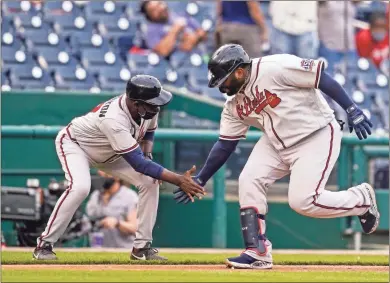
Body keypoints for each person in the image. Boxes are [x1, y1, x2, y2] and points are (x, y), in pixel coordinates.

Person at [174, 44, 380, 269]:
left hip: (316, 134)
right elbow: (225, 145)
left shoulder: (275, 67)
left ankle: (361, 200)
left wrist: (351, 108)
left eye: (223, 80)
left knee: (303, 202)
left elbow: (320, 77)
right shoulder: (233, 105)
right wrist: (201, 178)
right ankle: (257, 252)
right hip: (276, 141)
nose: (221, 87)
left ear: (240, 71)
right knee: (249, 179)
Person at [33, 75, 205, 261]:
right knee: (80, 188)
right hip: (77, 145)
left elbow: (149, 132)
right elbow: (138, 163)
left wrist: (147, 154)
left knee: (149, 181)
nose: (157, 108)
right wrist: (179, 180)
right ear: (135, 102)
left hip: (112, 152)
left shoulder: (147, 110)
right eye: (152, 104)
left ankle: (141, 248)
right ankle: (44, 245)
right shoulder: (114, 119)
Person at [86, 170, 138, 249]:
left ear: (117, 176)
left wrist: (117, 223)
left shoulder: (130, 196)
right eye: (100, 175)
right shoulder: (95, 196)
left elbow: (136, 229)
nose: (102, 177)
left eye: (105, 175)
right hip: (98, 252)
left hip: (123, 252)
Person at [140, 0, 207, 57]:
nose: (160, 9)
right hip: (177, 63)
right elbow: (163, 52)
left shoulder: (179, 14)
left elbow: (202, 32)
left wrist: (195, 38)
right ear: (149, 16)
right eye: (154, 10)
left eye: (160, 4)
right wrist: (175, 30)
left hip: (200, 55)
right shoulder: (151, 30)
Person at [317, 1, 360, 76]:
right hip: (330, 47)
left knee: (351, 79)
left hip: (350, 48)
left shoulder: (349, 2)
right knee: (329, 79)